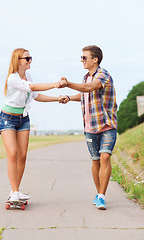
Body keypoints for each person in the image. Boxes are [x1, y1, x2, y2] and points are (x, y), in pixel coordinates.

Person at [0, 48, 62, 202]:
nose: (30, 61)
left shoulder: (29, 76)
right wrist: (55, 84)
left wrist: (57, 98)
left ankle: (16, 191)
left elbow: (36, 95)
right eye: (27, 58)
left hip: (23, 119)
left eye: (30, 58)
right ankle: (14, 192)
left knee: (23, 156)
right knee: (12, 153)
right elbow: (33, 88)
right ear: (18, 60)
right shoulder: (12, 78)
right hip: (7, 118)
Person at [59, 45, 117, 210]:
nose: (81, 60)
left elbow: (91, 88)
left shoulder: (103, 74)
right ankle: (99, 193)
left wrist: (68, 83)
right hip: (89, 126)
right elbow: (84, 93)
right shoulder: (85, 77)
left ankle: (101, 196)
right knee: (96, 160)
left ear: (95, 59)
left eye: (84, 57)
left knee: (105, 156)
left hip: (106, 124)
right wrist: (69, 97)